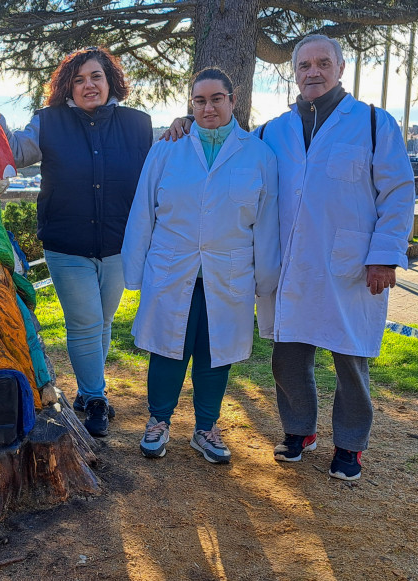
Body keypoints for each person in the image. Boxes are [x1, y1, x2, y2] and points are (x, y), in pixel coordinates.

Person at [166, 35, 413, 480]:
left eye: (322, 63)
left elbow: (397, 193)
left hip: (351, 266)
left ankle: (350, 444)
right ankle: (299, 431)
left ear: (339, 68)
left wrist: (384, 256)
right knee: (288, 357)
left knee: (350, 358)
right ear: (293, 73)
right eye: (303, 65)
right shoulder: (271, 131)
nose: (312, 72)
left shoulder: (375, 124)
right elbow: (229, 149)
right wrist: (188, 122)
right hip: (290, 266)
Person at [0, 47, 153, 437]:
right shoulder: (48, 123)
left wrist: (184, 126)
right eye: (79, 79)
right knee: (86, 321)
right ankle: (96, 396)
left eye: (96, 77)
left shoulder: (138, 125)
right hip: (66, 243)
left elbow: (162, 165)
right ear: (67, 86)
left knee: (102, 322)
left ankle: (90, 392)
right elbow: (14, 151)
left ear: (110, 82)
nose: (89, 85)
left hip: (120, 242)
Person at [123, 68, 280, 464]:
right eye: (199, 100)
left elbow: (266, 223)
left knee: (215, 353)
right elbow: (143, 212)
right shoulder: (167, 148)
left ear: (232, 98)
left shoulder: (258, 155)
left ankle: (206, 428)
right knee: (166, 349)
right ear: (191, 104)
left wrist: (266, 281)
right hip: (172, 269)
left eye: (216, 99)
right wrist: (134, 269)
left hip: (228, 273)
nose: (208, 107)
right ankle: (158, 421)